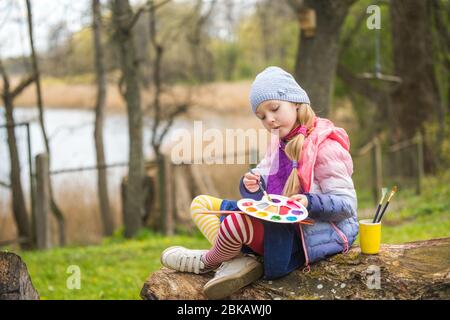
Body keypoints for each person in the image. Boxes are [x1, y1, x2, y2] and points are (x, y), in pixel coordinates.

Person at [160, 66, 358, 299]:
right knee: (201, 204)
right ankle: (237, 259)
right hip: (276, 221)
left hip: (306, 234)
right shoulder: (279, 142)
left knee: (236, 223)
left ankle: (207, 261)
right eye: (262, 116)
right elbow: (261, 195)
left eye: (274, 109)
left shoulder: (325, 146)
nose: (269, 120)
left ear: (295, 102)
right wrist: (251, 184)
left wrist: (308, 201)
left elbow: (347, 205)